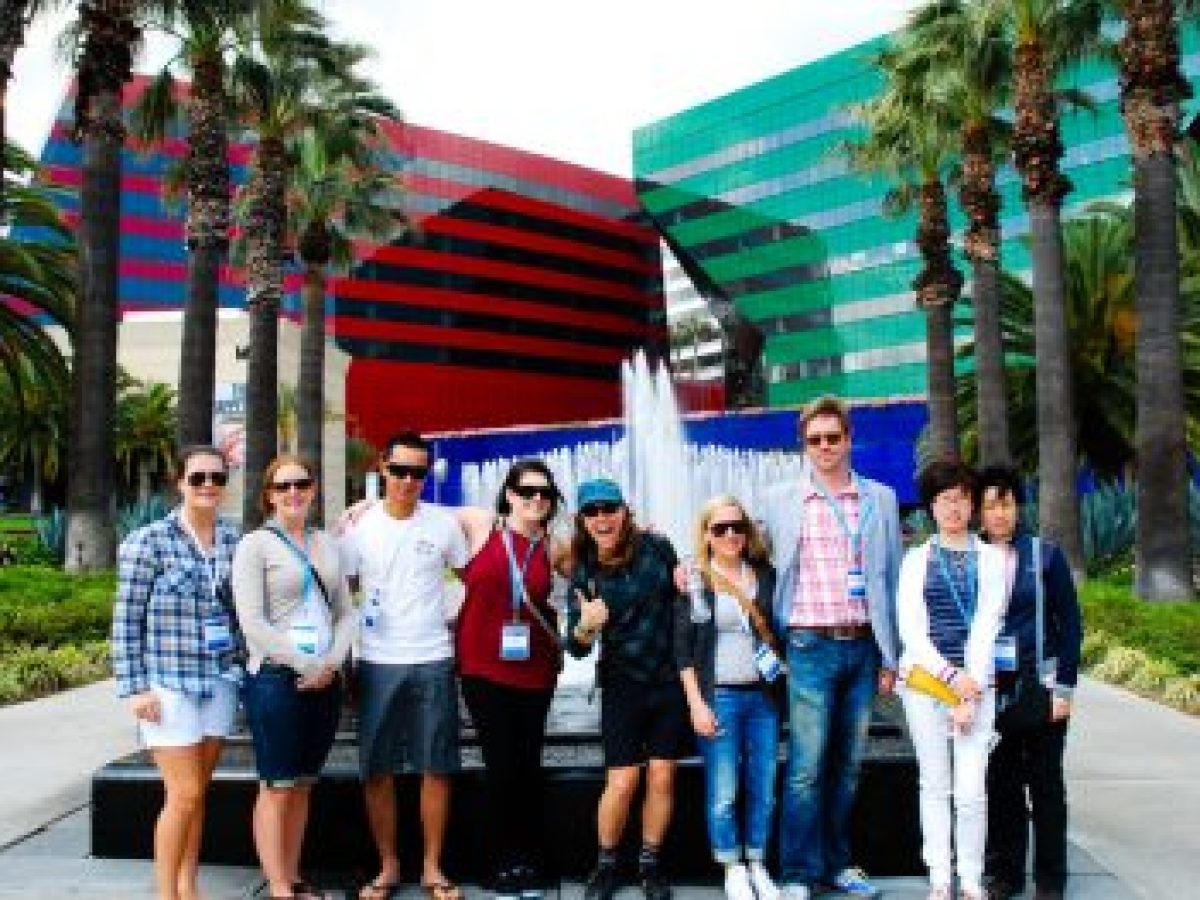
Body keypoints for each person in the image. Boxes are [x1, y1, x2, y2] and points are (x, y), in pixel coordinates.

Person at [761, 395, 902, 900]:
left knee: (847, 768)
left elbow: (891, 579)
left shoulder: (880, 499)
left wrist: (892, 657)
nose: (824, 447)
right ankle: (798, 872)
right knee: (805, 768)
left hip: (863, 647)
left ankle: (838, 865)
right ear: (803, 444)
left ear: (849, 439)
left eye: (833, 438)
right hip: (808, 644)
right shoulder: (781, 498)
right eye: (814, 440)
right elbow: (747, 554)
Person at [339, 432, 470, 900]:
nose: (408, 481)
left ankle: (433, 867)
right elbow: (339, 593)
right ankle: (389, 865)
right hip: (377, 660)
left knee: (437, 767)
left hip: (433, 657)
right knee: (377, 769)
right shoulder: (358, 530)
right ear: (383, 467)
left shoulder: (443, 525)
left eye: (418, 472)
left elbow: (473, 574)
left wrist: (460, 631)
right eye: (400, 471)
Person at [112, 445, 242, 900]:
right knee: (183, 793)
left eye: (217, 478)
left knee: (197, 793)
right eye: (199, 478)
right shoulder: (148, 541)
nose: (208, 486)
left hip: (220, 680)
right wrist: (134, 688)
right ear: (180, 482)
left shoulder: (233, 538)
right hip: (168, 684)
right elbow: (126, 620)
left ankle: (189, 886)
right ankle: (167, 893)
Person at [232, 454, 357, 900]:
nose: (293, 493)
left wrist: (332, 663)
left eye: (301, 484)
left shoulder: (327, 544)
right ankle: (279, 886)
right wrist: (306, 666)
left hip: (324, 679)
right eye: (283, 486)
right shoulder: (255, 546)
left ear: (313, 489)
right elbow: (253, 623)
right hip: (275, 680)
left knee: (303, 784)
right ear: (269, 495)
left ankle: (294, 875)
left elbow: (345, 611)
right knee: (277, 785)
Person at [566, 478, 690, 900]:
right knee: (621, 781)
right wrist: (586, 625)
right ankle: (606, 863)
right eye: (592, 512)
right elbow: (575, 648)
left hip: (667, 682)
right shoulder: (583, 569)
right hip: (622, 684)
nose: (602, 518)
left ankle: (650, 863)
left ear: (624, 510)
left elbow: (683, 602)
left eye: (609, 509)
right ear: (581, 520)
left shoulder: (658, 547)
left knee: (661, 776)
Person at [455, 459, 565, 900]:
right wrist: (365, 506)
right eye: (527, 491)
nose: (536, 500)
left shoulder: (555, 547)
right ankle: (497, 863)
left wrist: (646, 534)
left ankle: (529, 861)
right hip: (483, 667)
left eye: (545, 494)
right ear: (509, 494)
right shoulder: (481, 524)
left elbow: (604, 560)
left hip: (535, 672)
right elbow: (416, 512)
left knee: (527, 766)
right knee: (500, 765)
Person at [897, 461, 1007, 900]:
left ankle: (972, 878)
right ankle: (941, 877)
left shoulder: (994, 560)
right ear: (932, 507)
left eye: (962, 498)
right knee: (935, 783)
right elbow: (912, 630)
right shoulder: (915, 561)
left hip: (976, 689)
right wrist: (949, 677)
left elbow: (988, 625)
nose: (954, 507)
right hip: (925, 683)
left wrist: (969, 688)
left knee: (971, 790)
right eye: (945, 499)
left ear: (973, 504)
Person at [976, 466, 1082, 900]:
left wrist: (1066, 689)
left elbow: (1071, 624)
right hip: (992, 691)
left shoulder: (1046, 555)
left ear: (1018, 507)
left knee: (1046, 786)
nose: (998, 514)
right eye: (989, 506)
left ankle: (1051, 878)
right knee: (1000, 785)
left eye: (1005, 504)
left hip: (1042, 686)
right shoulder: (972, 558)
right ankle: (1006, 875)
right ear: (979, 513)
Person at [675, 495, 781, 900]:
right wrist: (696, 704)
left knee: (764, 786)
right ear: (707, 534)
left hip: (763, 698)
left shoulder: (765, 576)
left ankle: (757, 861)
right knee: (724, 790)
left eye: (737, 526)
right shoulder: (695, 580)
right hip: (718, 697)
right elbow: (682, 650)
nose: (731, 534)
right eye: (720, 528)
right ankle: (731, 866)